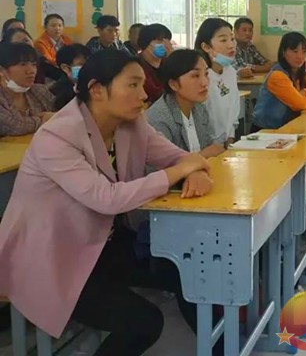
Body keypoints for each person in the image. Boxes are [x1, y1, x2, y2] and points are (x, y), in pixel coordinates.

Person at [0, 50, 214, 355]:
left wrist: (195, 171)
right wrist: (181, 171)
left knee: (190, 270)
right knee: (145, 322)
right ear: (97, 89)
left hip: (102, 243)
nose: (144, 94)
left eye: (142, 85)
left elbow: (180, 158)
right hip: (54, 258)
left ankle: (220, 348)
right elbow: (107, 198)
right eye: (133, 85)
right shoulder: (57, 137)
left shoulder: (131, 123)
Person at [147, 49, 225, 158]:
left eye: (206, 74)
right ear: (174, 84)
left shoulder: (200, 109)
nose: (205, 82)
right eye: (195, 76)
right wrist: (202, 156)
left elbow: (212, 147)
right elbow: (163, 166)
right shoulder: (159, 119)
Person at [252, 32, 306, 129]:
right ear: (283, 52)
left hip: (286, 128)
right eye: (295, 51)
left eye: (304, 52)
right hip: (266, 131)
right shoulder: (277, 76)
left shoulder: (300, 73)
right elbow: (299, 104)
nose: (300, 56)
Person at [195, 18, 240, 145]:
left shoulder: (230, 72)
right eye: (223, 40)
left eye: (232, 39)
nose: (231, 45)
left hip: (226, 143)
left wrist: (230, 136)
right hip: (205, 145)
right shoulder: (200, 77)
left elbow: (234, 109)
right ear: (206, 47)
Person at [0, 42, 56, 136]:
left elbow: (63, 115)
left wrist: (54, 117)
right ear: (2, 70)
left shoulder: (39, 91)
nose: (31, 71)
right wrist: (42, 120)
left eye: (34, 64)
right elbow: (12, 126)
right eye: (23, 64)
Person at [137, 23, 173, 104]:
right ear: (146, 43)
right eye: (160, 40)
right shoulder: (137, 65)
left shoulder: (166, 63)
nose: (165, 44)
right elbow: (154, 94)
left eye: (167, 40)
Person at [51, 43, 91, 110]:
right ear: (65, 68)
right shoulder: (57, 93)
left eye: (88, 63)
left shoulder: (92, 84)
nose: (87, 68)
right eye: (81, 64)